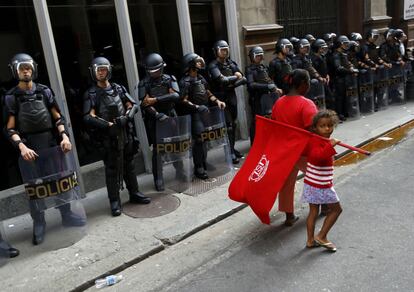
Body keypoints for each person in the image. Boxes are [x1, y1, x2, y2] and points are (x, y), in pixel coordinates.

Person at [4, 53, 86, 245]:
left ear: (33, 69)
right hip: (30, 148)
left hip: (50, 143)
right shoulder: (11, 97)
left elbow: (58, 118)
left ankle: (66, 214)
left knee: (60, 181)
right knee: (35, 188)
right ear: (15, 71)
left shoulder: (44, 91)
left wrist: (64, 136)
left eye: (28, 68)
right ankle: (39, 222)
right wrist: (22, 147)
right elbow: (9, 128)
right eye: (22, 68)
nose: (26, 71)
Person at [83, 57, 150, 217]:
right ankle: (114, 201)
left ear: (109, 70)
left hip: (124, 133)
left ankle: (134, 193)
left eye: (104, 69)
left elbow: (133, 104)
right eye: (98, 70)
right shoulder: (91, 93)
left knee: (129, 165)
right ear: (93, 72)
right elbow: (88, 116)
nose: (101, 73)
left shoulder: (118, 88)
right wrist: (108, 125)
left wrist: (126, 117)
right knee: (112, 170)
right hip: (108, 137)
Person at [271, 69, 318, 226]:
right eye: (309, 82)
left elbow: (274, 124)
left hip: (285, 151)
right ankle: (325, 206)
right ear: (303, 84)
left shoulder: (278, 103)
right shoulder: (307, 104)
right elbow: (314, 129)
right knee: (317, 178)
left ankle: (289, 216)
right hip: (304, 151)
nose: (309, 85)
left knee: (286, 184)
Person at [138, 53, 181, 191]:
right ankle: (158, 178)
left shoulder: (170, 79)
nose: (154, 73)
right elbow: (144, 104)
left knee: (175, 145)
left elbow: (176, 95)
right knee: (158, 150)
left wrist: (156, 100)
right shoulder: (143, 83)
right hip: (154, 119)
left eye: (157, 70)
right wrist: (157, 114)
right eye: (152, 70)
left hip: (170, 115)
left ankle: (180, 171)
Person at [179, 52, 226, 180]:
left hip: (205, 113)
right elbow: (183, 99)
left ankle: (204, 162)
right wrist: (197, 107)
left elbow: (208, 93)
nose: (200, 63)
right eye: (197, 62)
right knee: (198, 140)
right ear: (190, 65)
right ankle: (198, 166)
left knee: (205, 138)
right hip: (195, 115)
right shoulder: (185, 81)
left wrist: (217, 101)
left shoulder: (201, 78)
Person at [302, 109, 342, 252]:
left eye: (330, 125)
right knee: (337, 210)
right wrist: (330, 146)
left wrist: (329, 148)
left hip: (312, 182)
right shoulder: (315, 141)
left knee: (313, 212)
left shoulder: (319, 139)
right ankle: (322, 236)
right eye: (323, 126)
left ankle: (310, 241)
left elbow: (323, 156)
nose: (327, 129)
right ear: (315, 127)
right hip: (320, 185)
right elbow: (317, 157)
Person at [208, 40, 246, 164]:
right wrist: (235, 78)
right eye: (222, 49)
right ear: (216, 51)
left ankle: (232, 149)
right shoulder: (213, 65)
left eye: (226, 49)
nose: (225, 52)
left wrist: (231, 84)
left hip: (231, 96)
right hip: (220, 98)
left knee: (233, 124)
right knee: (228, 126)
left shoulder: (231, 63)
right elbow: (221, 80)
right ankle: (228, 153)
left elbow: (243, 78)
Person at [245, 46, 282, 143]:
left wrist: (274, 87)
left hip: (268, 97)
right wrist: (267, 87)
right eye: (257, 56)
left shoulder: (264, 67)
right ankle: (255, 143)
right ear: (252, 57)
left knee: (269, 118)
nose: (259, 58)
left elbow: (269, 80)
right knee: (257, 121)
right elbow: (251, 85)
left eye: (261, 56)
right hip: (257, 98)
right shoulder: (249, 69)